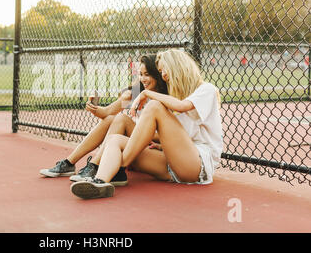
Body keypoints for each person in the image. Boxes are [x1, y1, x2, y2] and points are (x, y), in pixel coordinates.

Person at [70, 49, 223, 199]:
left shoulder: (205, 89)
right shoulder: (140, 92)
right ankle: (100, 182)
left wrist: (145, 94)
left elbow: (182, 107)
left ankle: (117, 166)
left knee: (152, 106)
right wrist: (98, 107)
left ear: (177, 67)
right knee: (114, 139)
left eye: (162, 71)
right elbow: (108, 112)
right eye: (141, 75)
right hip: (171, 162)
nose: (163, 75)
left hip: (196, 164)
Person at [40, 55, 168, 186]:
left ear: (156, 74)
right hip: (130, 144)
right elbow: (107, 113)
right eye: (140, 74)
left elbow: (166, 136)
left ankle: (94, 165)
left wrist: (144, 133)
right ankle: (69, 162)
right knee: (111, 119)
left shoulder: (164, 98)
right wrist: (94, 108)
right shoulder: (135, 92)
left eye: (147, 74)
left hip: (149, 147)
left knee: (122, 119)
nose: (142, 79)